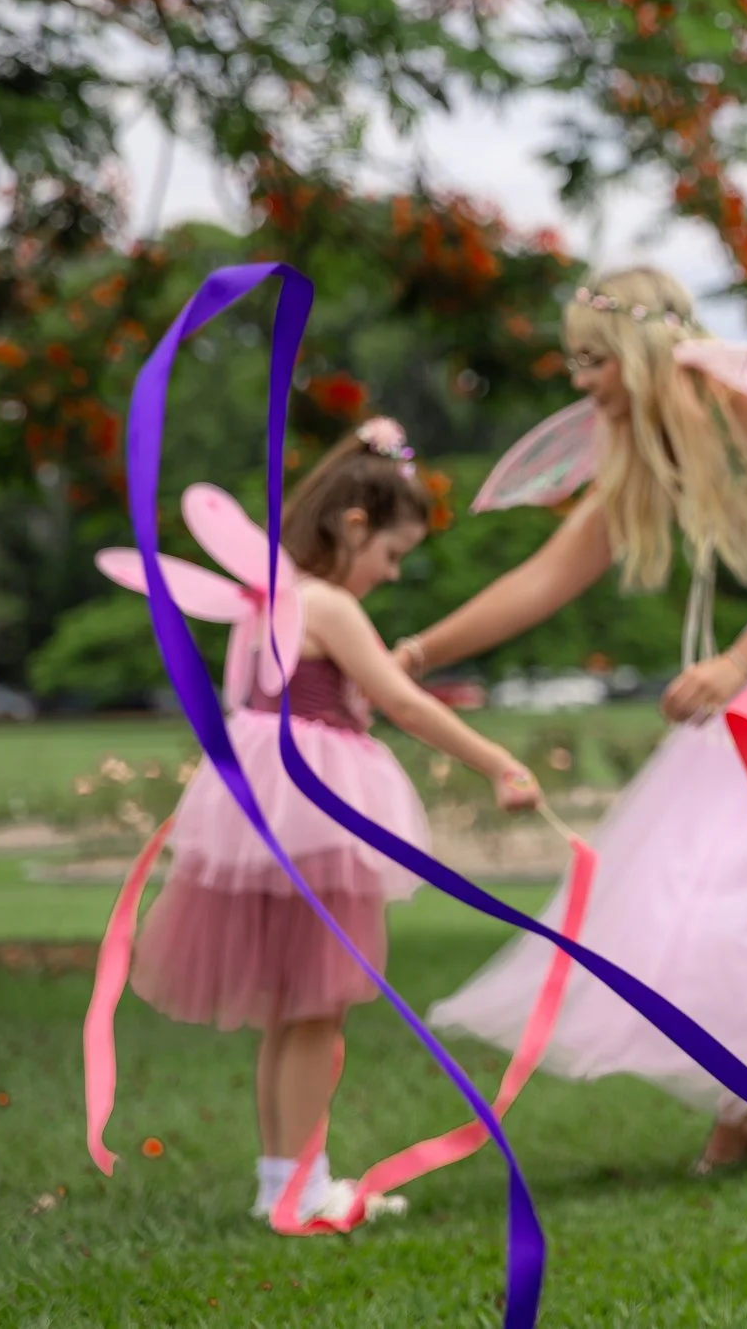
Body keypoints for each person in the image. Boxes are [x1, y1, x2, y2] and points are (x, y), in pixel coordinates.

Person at [403, 267, 747, 1172]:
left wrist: (738, 662)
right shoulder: (649, 446)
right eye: (576, 363)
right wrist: (420, 653)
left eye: (593, 361)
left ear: (641, 351)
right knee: (694, 855)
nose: (582, 383)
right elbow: (548, 575)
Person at [129, 420, 543, 1227]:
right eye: (389, 555)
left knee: (296, 1008)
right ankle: (302, 1186)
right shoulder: (326, 603)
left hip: (264, 807)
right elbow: (402, 700)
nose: (389, 575)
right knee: (317, 1004)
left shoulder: (266, 600)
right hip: (319, 809)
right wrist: (498, 762)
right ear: (354, 525)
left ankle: (282, 1178)